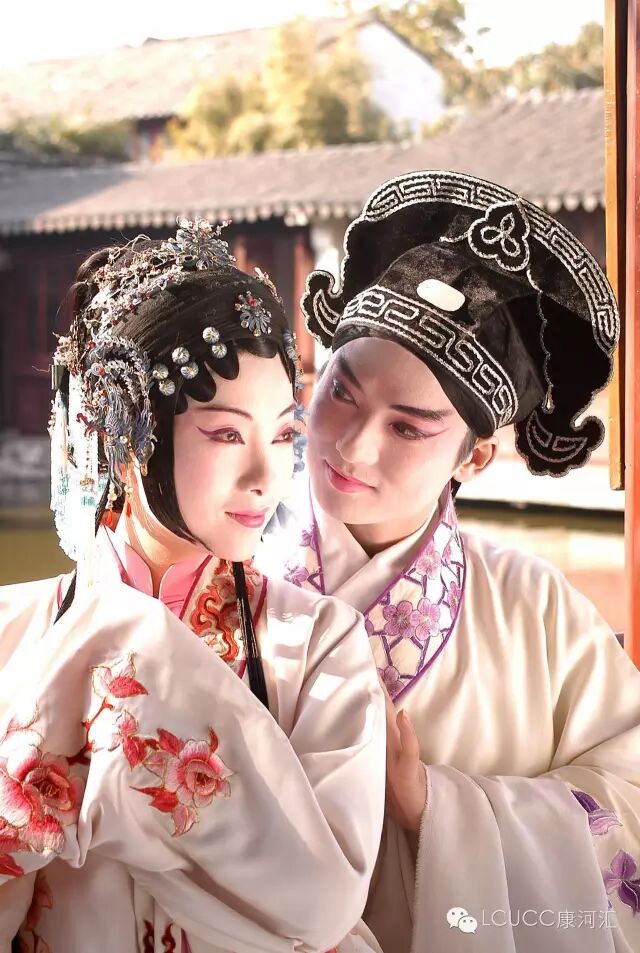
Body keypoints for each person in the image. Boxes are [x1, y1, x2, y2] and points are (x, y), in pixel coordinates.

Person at [277, 171, 640, 952]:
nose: (353, 446)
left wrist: (439, 807)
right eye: (341, 392)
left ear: (474, 457)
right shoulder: (227, 578)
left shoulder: (538, 611)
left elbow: (633, 797)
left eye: (408, 428)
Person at [0, 219, 386, 953]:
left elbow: (324, 902)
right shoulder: (11, 632)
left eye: (282, 434)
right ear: (124, 435)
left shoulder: (319, 644)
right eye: (227, 434)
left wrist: (124, 648)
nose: (267, 477)